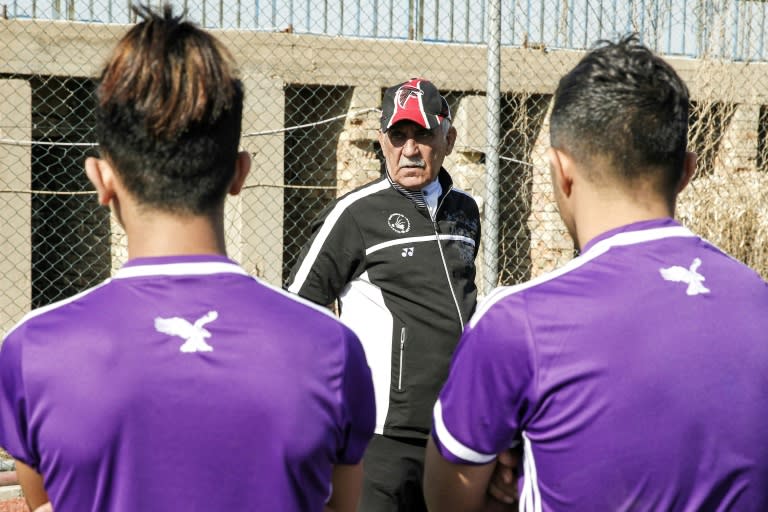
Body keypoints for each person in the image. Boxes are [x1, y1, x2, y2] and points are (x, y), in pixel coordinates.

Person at [0, 5, 375, 512]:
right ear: (240, 173)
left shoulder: (33, 349)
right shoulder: (331, 347)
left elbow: (47, 501)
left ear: (101, 179)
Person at [424, 35, 768, 511]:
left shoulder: (517, 322)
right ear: (687, 171)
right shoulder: (759, 300)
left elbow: (447, 500)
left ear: (561, 171)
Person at [287, 77, 481, 511]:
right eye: (398, 136)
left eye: (423, 135)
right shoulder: (356, 214)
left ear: (447, 139)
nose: (409, 149)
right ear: (382, 141)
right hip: (383, 437)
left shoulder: (465, 211)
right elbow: (298, 309)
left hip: (455, 428)